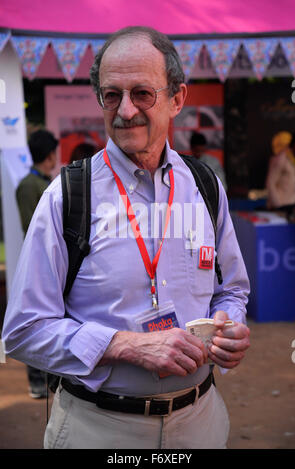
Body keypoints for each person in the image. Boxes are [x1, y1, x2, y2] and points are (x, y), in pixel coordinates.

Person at [3, 26, 250, 449]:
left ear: (177, 99)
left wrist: (231, 326)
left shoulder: (206, 186)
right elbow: (23, 330)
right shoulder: (67, 196)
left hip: (200, 422)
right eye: (111, 94)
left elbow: (232, 291)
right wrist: (124, 345)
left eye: (142, 93)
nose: (125, 110)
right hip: (98, 429)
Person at [15, 129, 58, 399]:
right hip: (39, 263)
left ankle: (48, 377)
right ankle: (35, 380)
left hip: (55, 262)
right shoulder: (28, 186)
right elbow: (31, 227)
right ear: (49, 154)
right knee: (36, 318)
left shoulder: (45, 182)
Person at [266, 130, 295, 217]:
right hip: (280, 208)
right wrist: (278, 205)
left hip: (294, 206)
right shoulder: (281, 158)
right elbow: (270, 183)